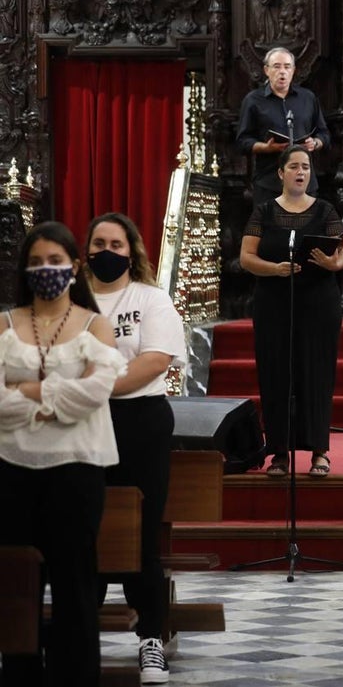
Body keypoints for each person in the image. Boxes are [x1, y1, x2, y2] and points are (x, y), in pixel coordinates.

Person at [0, 221, 124, 687]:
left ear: (74, 267)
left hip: (77, 469)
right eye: (36, 263)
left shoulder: (95, 325)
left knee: (74, 587)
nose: (45, 270)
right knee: (16, 586)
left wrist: (27, 392)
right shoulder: (5, 324)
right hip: (11, 467)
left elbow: (94, 392)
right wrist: (54, 399)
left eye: (54, 262)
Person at [85, 212, 187, 684]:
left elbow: (154, 361)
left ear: (132, 252)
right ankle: (75, 635)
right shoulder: (69, 301)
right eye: (99, 242)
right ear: (85, 250)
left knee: (140, 534)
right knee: (81, 534)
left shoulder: (150, 298)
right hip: (79, 427)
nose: (107, 251)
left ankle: (150, 639)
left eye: (117, 244)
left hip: (138, 423)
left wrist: (94, 390)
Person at [241, 145, 343, 477]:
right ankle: (279, 453)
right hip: (274, 301)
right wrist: (274, 269)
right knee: (276, 373)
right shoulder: (264, 211)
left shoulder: (326, 210)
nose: (301, 172)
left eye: (306, 167)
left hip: (318, 302)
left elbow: (342, 254)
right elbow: (247, 257)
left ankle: (319, 451)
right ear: (281, 173)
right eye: (295, 166)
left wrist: (334, 263)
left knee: (316, 374)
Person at [236, 47, 331, 205]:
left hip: (304, 184)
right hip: (269, 183)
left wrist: (315, 143)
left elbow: (324, 135)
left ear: (293, 70)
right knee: (270, 229)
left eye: (287, 67)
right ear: (266, 70)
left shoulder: (308, 98)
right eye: (277, 66)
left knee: (306, 229)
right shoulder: (253, 100)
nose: (282, 72)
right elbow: (242, 142)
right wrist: (266, 148)